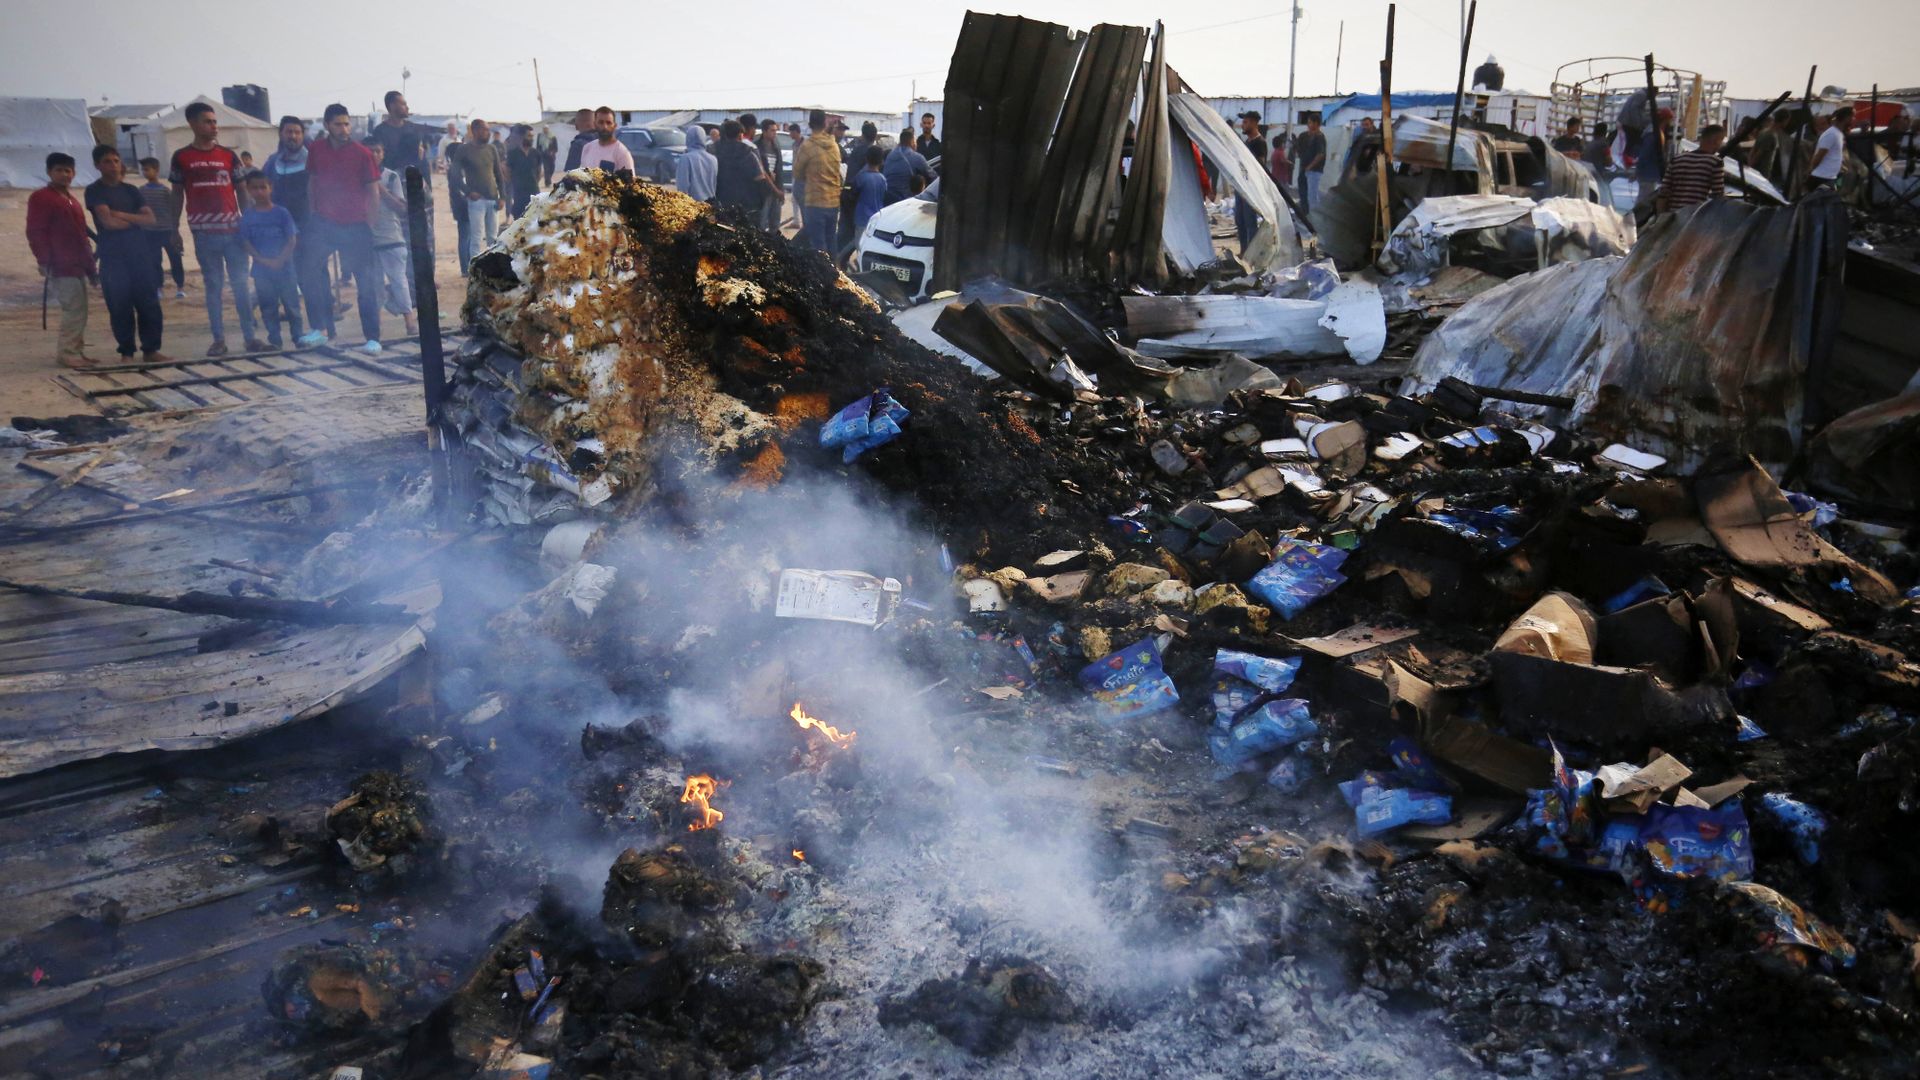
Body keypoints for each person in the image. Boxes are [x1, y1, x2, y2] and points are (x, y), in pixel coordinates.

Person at [170, 100, 263, 356]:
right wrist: (173, 227)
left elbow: (241, 191)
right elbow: (177, 194)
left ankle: (250, 337)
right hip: (204, 234)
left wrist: (248, 221)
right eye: (207, 122)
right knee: (214, 287)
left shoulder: (228, 156)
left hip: (233, 232)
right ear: (192, 124)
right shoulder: (181, 157)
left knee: (241, 286)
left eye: (215, 122)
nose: (213, 127)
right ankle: (219, 340)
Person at [301, 103, 382, 351]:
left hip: (356, 225)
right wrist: (313, 212)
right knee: (310, 272)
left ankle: (372, 338)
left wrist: (370, 223)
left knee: (365, 282)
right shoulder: (315, 150)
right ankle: (321, 329)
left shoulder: (362, 153)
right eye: (338, 124)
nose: (344, 128)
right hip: (324, 223)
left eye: (346, 123)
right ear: (327, 125)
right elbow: (312, 182)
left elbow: (373, 191)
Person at [85, 145, 166, 362]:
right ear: (97, 165)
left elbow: (150, 219)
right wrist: (134, 220)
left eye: (115, 160)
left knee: (148, 303)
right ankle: (127, 351)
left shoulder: (131, 190)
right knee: (120, 305)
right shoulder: (94, 191)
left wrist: (121, 214)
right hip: (113, 256)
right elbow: (108, 223)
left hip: (139, 254)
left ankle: (151, 349)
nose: (113, 165)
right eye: (107, 161)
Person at [27, 152, 94, 368]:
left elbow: (80, 234)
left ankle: (76, 350)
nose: (64, 174)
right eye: (59, 170)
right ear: (49, 172)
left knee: (81, 308)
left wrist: (90, 266)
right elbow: (36, 231)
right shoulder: (41, 197)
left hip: (77, 263)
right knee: (73, 308)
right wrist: (44, 260)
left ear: (73, 173)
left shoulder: (71, 199)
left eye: (68, 170)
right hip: (60, 263)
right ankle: (67, 353)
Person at [263, 115, 328, 332]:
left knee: (313, 280)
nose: (293, 136)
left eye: (297, 132)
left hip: (311, 230)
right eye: (289, 132)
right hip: (282, 232)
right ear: (281, 134)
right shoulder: (273, 163)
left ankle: (321, 328)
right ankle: (297, 331)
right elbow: (265, 196)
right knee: (287, 281)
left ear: (303, 135)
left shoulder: (314, 159)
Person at [238, 170, 304, 349]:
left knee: (291, 305)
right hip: (262, 270)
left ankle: (298, 337)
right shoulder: (247, 216)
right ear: (249, 190)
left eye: (263, 187)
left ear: (270, 188)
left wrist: (280, 260)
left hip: (285, 268)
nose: (259, 192)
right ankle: (274, 339)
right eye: (255, 188)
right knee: (268, 307)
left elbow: (292, 239)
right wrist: (262, 259)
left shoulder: (282, 213)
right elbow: (245, 242)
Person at [364, 141, 417, 336]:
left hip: (391, 237)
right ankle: (376, 326)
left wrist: (379, 189)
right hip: (368, 238)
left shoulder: (391, 177)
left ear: (383, 154)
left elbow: (401, 208)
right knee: (374, 283)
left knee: (398, 280)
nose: (375, 155)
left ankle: (409, 323)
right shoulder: (357, 177)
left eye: (378, 151)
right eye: (371, 152)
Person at [450, 117, 506, 273]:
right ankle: (475, 272)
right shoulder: (464, 150)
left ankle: (493, 270)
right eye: (484, 129)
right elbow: (454, 175)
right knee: (476, 239)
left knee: (493, 238)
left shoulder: (491, 149)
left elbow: (498, 174)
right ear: (474, 131)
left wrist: (503, 197)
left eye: (488, 129)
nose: (487, 132)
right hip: (476, 201)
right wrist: (468, 192)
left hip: (493, 200)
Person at [793, 109, 841, 254]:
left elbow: (797, 173)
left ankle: (824, 275)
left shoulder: (807, 146)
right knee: (831, 241)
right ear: (824, 122)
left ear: (809, 124)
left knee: (818, 247)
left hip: (815, 203)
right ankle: (835, 274)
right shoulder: (834, 145)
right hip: (833, 203)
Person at [138, 156, 186, 298]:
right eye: (143, 170)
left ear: (156, 170)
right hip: (150, 231)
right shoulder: (141, 191)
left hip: (167, 230)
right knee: (154, 261)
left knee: (175, 259)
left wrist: (175, 228)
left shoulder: (165, 191)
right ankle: (159, 288)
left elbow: (173, 209)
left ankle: (180, 287)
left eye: (147, 169)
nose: (145, 173)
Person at [712, 118, 777, 219]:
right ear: (739, 135)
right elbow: (760, 179)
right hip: (746, 208)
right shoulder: (747, 153)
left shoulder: (712, 152)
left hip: (720, 206)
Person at [1659, 124, 1726, 212]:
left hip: (1673, 216)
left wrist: (1660, 217)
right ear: (1716, 141)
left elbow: (1664, 192)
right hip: (1694, 218)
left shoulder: (1677, 159)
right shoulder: (1715, 162)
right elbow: (1718, 196)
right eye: (1721, 141)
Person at [1234, 112, 1268, 251]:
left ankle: (1251, 253)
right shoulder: (1246, 142)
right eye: (1243, 122)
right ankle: (1243, 250)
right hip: (1241, 186)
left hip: (1251, 187)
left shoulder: (1259, 142)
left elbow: (1260, 166)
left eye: (1246, 122)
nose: (1243, 125)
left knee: (1249, 222)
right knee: (1240, 220)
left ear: (1254, 123)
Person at [847, 144, 888, 257]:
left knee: (859, 245)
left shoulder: (861, 177)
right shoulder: (882, 179)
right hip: (877, 219)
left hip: (862, 218)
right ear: (881, 161)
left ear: (866, 159)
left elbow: (852, 194)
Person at [882, 128, 933, 203]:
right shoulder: (917, 157)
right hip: (905, 201)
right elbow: (932, 176)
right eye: (915, 142)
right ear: (912, 142)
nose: (916, 144)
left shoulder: (890, 155)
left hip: (887, 200)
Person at [578, 107, 634, 173]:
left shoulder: (622, 153)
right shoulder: (587, 148)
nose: (605, 127)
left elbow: (630, 182)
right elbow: (582, 178)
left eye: (608, 123)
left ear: (614, 126)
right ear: (595, 124)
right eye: (601, 122)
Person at [1807, 106, 1851, 191]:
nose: (1820, 127)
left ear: (1829, 124)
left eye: (1823, 124)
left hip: (1837, 175)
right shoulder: (1816, 141)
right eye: (1817, 125)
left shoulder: (1835, 137)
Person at [1293, 113, 1327, 216]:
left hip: (1314, 171)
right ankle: (1305, 215)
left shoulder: (1320, 137)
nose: (1308, 125)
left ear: (1316, 123)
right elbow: (1297, 150)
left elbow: (1320, 154)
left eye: (1310, 122)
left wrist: (1310, 166)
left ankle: (1313, 219)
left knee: (1312, 196)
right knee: (1303, 194)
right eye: (1308, 122)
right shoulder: (1304, 136)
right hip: (1303, 168)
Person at [675, 123, 717, 201]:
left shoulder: (686, 158)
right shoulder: (713, 159)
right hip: (710, 206)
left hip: (693, 207)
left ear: (688, 138)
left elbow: (682, 187)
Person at [506, 125, 540, 217]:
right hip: (519, 195)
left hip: (534, 193)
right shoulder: (513, 154)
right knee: (520, 222)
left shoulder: (535, 153)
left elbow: (539, 172)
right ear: (522, 137)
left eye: (532, 136)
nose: (532, 138)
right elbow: (507, 172)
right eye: (529, 136)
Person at [757, 118, 784, 229]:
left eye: (775, 131)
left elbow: (779, 170)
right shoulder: (757, 147)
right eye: (772, 131)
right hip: (763, 191)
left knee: (775, 222)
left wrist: (780, 189)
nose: (775, 133)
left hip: (776, 191)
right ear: (764, 131)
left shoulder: (775, 147)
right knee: (762, 223)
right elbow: (761, 170)